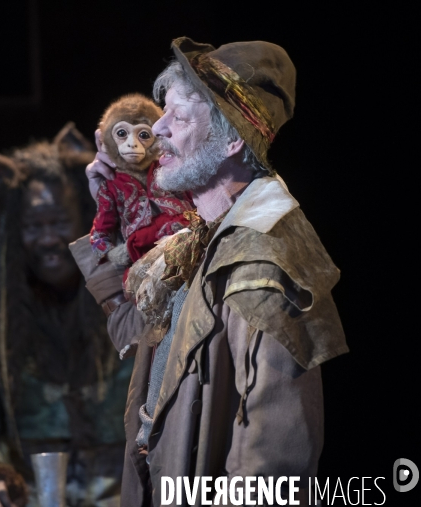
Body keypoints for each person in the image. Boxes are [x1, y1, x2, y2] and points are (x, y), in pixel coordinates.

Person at [72, 38, 348, 506]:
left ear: (232, 139)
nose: (157, 129)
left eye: (178, 117)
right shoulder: (194, 242)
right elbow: (127, 325)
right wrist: (108, 219)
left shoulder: (264, 265)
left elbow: (272, 471)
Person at [0, 123, 134, 507]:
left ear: (83, 215)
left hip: (126, 485)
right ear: (14, 230)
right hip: (31, 490)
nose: (49, 239)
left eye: (59, 223)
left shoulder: (129, 276)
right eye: (34, 226)